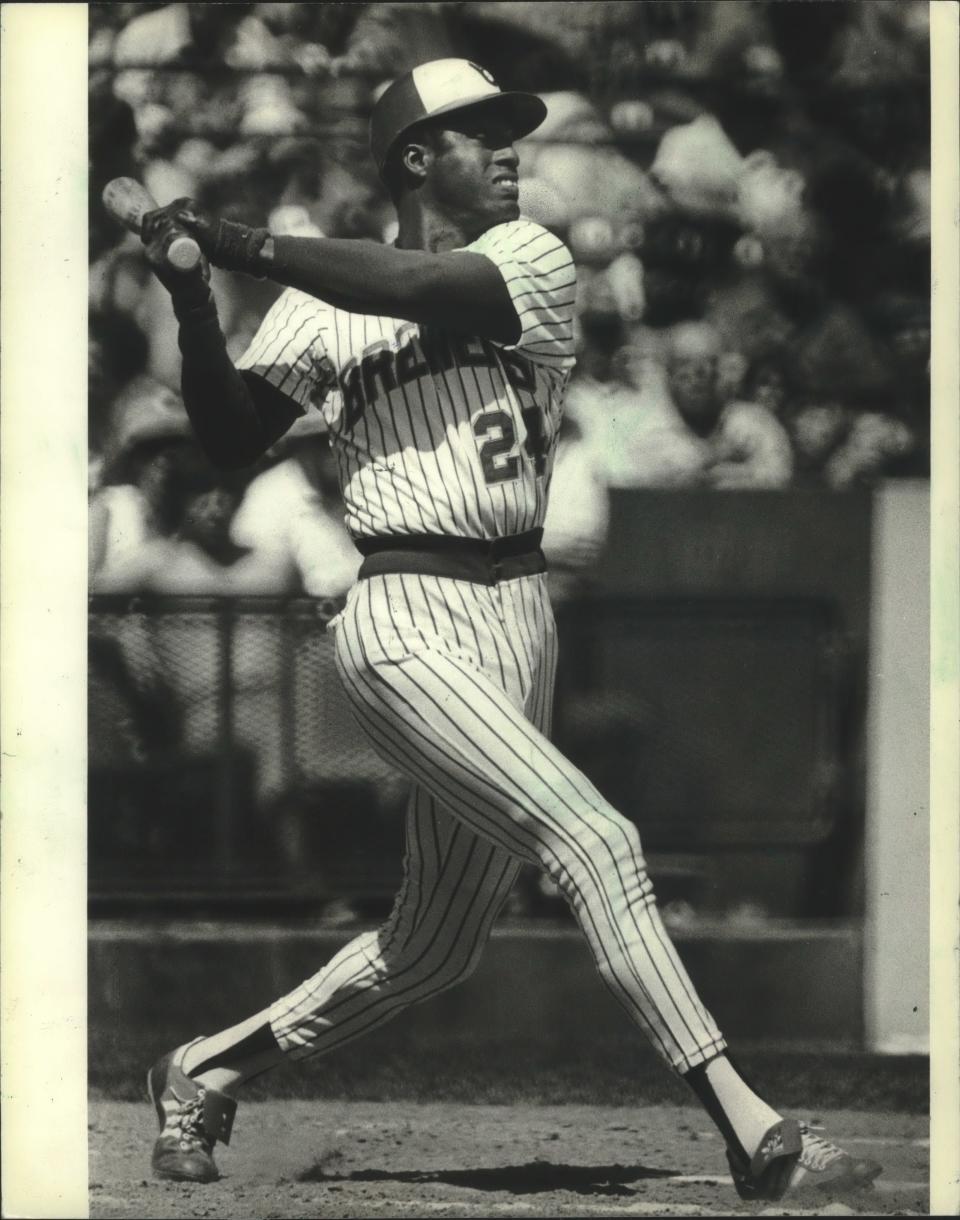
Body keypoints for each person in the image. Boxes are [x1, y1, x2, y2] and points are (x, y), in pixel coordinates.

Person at [136, 58, 880, 1200]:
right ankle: (756, 1130)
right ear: (415, 158)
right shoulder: (321, 298)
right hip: (401, 612)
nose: (509, 149)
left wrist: (236, 242)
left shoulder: (529, 258)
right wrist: (195, 303)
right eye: (477, 133)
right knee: (599, 842)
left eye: (507, 132)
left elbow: (421, 289)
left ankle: (204, 1066)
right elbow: (234, 436)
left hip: (517, 608)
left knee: (437, 942)